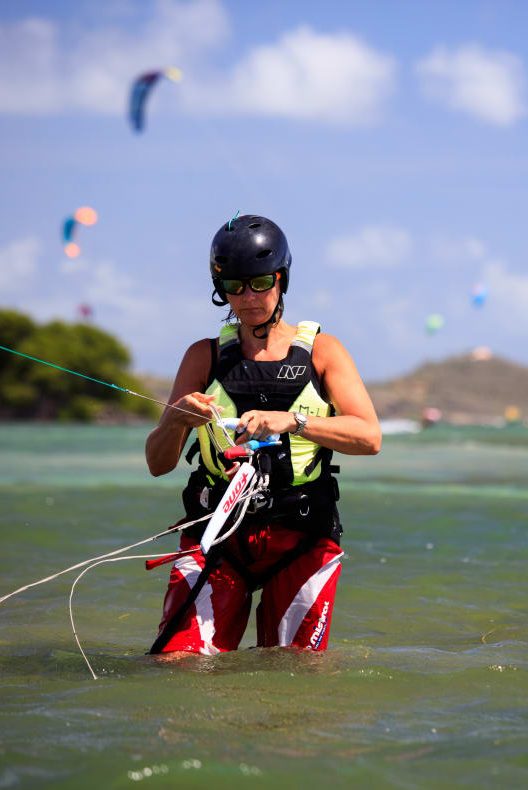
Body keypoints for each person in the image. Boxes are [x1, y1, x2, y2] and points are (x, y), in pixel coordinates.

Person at [145, 214, 381, 655]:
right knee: (178, 665)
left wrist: (293, 421)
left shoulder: (324, 352)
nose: (248, 297)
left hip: (302, 535)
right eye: (234, 286)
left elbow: (369, 437)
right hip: (215, 535)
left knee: (293, 679)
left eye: (260, 282)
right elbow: (158, 464)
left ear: (282, 278)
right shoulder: (203, 357)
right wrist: (177, 419)